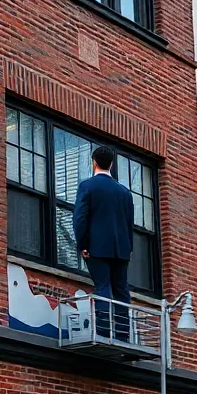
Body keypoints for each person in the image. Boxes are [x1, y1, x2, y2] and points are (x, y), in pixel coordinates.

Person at [72, 146, 134, 342]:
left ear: (94, 163)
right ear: (112, 164)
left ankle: (104, 332)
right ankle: (123, 334)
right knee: (121, 290)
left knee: (103, 286)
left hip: (96, 247)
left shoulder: (87, 186)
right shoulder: (125, 192)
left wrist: (82, 244)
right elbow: (129, 223)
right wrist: (129, 248)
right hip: (121, 249)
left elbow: (80, 218)